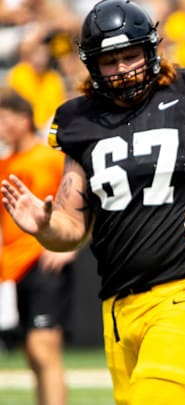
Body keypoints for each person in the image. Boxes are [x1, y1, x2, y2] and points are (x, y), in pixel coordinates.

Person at [0, 1, 185, 404]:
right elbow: (72, 230)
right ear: (92, 64)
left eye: (130, 56)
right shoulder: (79, 120)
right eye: (110, 61)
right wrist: (45, 226)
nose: (122, 69)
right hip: (117, 305)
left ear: (151, 50)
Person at [0, 88, 76, 405]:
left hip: (43, 261)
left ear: (24, 119)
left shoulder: (50, 157)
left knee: (44, 346)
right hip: (12, 268)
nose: (1, 126)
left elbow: (83, 204)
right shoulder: (5, 162)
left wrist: (70, 247)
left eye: (5, 119)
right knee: (30, 352)